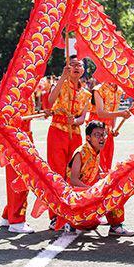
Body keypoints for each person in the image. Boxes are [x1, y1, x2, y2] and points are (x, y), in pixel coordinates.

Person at [67, 120, 134, 236]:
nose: (102, 138)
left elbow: (96, 172)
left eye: (103, 134)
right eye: (97, 135)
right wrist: (92, 191)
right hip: (78, 199)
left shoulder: (95, 151)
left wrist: (109, 177)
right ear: (88, 138)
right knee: (111, 193)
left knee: (114, 185)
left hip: (87, 194)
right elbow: (73, 180)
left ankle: (115, 225)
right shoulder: (80, 153)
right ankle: (73, 222)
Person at [46, 55, 91, 228]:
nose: (76, 67)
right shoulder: (60, 85)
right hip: (57, 131)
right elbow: (50, 102)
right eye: (72, 65)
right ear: (67, 68)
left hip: (75, 135)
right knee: (56, 173)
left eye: (79, 65)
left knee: (74, 173)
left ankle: (73, 211)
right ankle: (55, 216)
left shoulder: (86, 93)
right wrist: (62, 78)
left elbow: (82, 118)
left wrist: (76, 121)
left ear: (84, 70)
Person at [0, 97, 36, 233]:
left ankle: (8, 215)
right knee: (19, 179)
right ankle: (16, 220)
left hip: (25, 137)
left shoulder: (28, 90)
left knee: (23, 179)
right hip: (15, 139)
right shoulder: (12, 91)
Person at [88, 81, 130, 171]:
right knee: (97, 162)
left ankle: (104, 184)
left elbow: (114, 111)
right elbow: (100, 113)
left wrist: (113, 129)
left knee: (107, 161)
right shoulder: (98, 89)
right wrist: (121, 114)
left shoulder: (119, 91)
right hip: (96, 130)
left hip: (108, 131)